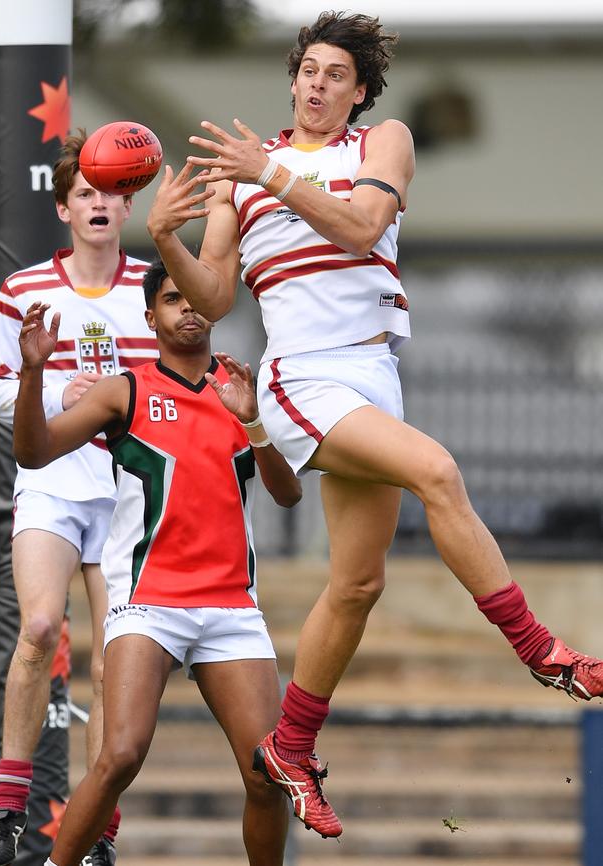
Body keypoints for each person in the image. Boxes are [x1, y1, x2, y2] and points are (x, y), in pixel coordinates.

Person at [146, 9, 603, 841]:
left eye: (335, 75)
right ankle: (543, 652)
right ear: (292, 78)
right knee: (439, 471)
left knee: (358, 584)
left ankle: (289, 745)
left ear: (359, 93)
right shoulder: (242, 175)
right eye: (307, 70)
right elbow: (212, 298)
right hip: (299, 377)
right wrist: (165, 240)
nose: (317, 84)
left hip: (369, 374)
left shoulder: (382, 143)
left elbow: (361, 227)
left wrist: (272, 172)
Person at [9, 258, 301, 866]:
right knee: (119, 756)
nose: (188, 308)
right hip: (148, 602)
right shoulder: (126, 389)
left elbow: (288, 493)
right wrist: (33, 374)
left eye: (197, 297)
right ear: (151, 317)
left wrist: (252, 422)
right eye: (172, 299)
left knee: (266, 773)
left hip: (231, 606)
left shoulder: (244, 386)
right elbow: (34, 453)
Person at [0, 130, 159, 866]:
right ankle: (7, 811)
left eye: (113, 191)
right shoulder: (24, 289)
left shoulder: (150, 286)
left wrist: (117, 405)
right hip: (52, 481)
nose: (100, 204)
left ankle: (96, 834)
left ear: (129, 200)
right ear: (63, 207)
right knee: (41, 627)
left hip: (122, 492)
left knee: (117, 660)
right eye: (85, 192)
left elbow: (169, 388)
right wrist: (58, 392)